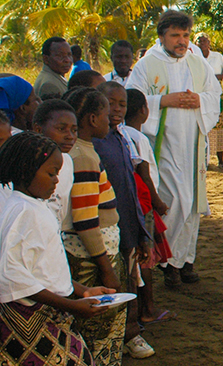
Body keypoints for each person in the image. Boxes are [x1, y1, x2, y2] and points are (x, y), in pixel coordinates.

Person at [0, 132, 115, 366]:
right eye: (51, 173)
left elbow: (44, 268)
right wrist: (71, 306)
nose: (56, 181)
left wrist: (82, 290)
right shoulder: (24, 212)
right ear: (25, 171)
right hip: (29, 316)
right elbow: (12, 275)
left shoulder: (34, 206)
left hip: (50, 311)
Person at [126, 10, 221, 287]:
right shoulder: (146, 65)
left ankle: (184, 260)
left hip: (193, 144)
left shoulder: (196, 61)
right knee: (175, 201)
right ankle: (167, 262)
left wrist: (199, 101)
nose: (182, 41)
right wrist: (163, 101)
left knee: (192, 205)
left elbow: (214, 94)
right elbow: (133, 101)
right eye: (175, 36)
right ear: (162, 36)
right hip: (163, 144)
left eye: (185, 35)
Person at [62, 87, 128, 364]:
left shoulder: (82, 151)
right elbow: (86, 221)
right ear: (91, 119)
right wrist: (107, 269)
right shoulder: (84, 157)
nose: (109, 117)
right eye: (104, 113)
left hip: (91, 252)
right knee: (99, 329)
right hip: (91, 257)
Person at [92, 82, 153, 358]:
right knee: (111, 285)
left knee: (129, 281)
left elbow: (130, 185)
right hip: (103, 229)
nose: (116, 110)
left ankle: (130, 333)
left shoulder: (120, 137)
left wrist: (140, 232)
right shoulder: (94, 144)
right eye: (110, 104)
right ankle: (116, 339)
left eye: (121, 104)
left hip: (126, 223)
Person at [123, 88, 173, 324]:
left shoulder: (123, 133)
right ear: (145, 110)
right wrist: (157, 201)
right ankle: (148, 309)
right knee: (146, 258)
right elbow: (144, 172)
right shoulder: (138, 138)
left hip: (135, 202)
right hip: (143, 204)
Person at [31, 99, 78, 229]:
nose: (70, 136)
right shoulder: (26, 164)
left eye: (74, 130)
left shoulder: (67, 161)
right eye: (61, 129)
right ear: (38, 129)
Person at [195, 33, 223, 169]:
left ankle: (221, 160)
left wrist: (208, 77)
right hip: (200, 96)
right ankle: (205, 160)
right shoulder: (194, 57)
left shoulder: (217, 57)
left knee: (219, 126)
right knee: (203, 126)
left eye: (205, 40)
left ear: (209, 43)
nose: (202, 43)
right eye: (199, 41)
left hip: (216, 96)